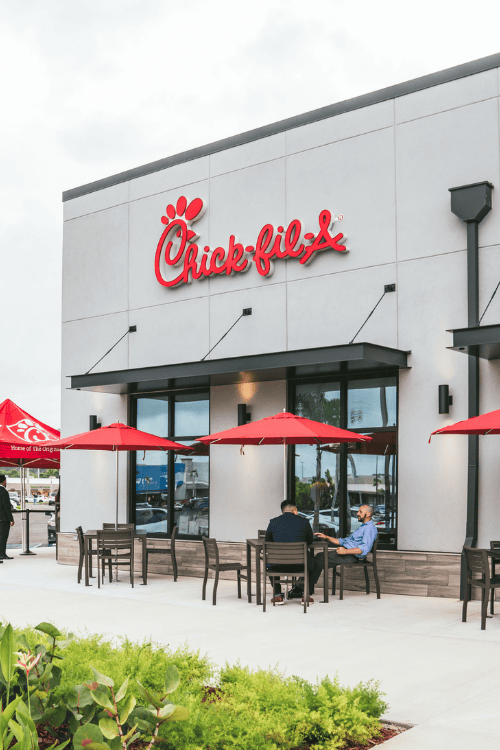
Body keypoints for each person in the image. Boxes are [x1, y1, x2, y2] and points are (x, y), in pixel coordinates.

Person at [264, 500, 320, 605]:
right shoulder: (304, 522)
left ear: (283, 511)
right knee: (313, 563)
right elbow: (309, 541)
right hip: (300, 565)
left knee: (270, 561)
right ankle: (305, 595)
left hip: (277, 566)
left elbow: (268, 542)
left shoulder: (273, 522)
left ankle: (277, 596)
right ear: (294, 509)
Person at [311, 504, 377, 585]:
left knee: (318, 559)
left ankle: (302, 588)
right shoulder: (363, 527)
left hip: (351, 556)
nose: (357, 513)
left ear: (368, 514)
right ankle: (306, 588)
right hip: (347, 554)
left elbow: (364, 549)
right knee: (319, 558)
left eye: (360, 512)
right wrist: (326, 537)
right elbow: (342, 541)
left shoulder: (369, 529)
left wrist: (345, 551)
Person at [0, 474, 15, 560]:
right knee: (3, 537)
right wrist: (11, 519)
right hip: (3, 519)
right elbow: (6, 506)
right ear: (4, 481)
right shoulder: (4, 491)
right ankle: (2, 554)